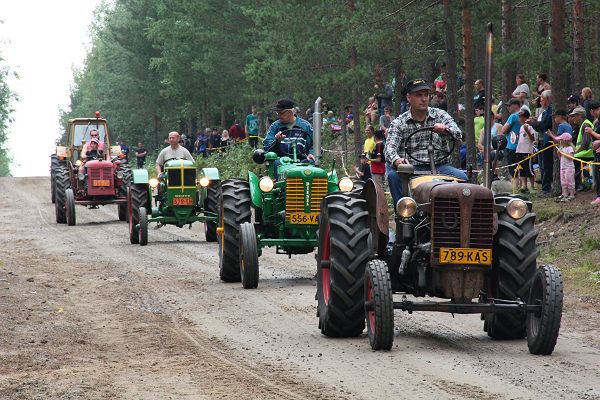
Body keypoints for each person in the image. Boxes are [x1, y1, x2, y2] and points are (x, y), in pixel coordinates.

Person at [385, 79, 466, 207]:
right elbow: (389, 148)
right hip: (411, 168)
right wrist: (397, 160)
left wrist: (445, 130)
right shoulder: (399, 122)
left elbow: (458, 134)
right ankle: (404, 215)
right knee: (394, 177)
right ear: (409, 98)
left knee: (463, 178)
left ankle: (458, 217)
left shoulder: (439, 115)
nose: (423, 99)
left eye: (426, 95)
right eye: (419, 95)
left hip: (440, 167)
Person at [528, 90, 553, 196]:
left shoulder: (550, 111)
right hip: (542, 141)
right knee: (542, 165)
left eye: (542, 98)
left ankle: (547, 188)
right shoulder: (544, 111)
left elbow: (544, 125)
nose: (540, 100)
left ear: (548, 99)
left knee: (546, 165)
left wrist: (533, 123)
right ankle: (544, 186)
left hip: (548, 142)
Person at [501, 99, 523, 191]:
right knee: (521, 169)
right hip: (522, 147)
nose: (508, 107)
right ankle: (522, 187)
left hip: (511, 146)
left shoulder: (513, 116)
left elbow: (503, 130)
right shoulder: (523, 115)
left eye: (509, 105)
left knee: (513, 170)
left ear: (515, 106)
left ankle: (515, 189)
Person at [570, 106, 594, 191]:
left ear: (580, 116)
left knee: (571, 162)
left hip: (587, 153)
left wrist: (574, 153)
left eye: (574, 116)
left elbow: (585, 144)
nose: (572, 118)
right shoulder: (582, 125)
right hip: (584, 153)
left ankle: (580, 185)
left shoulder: (585, 125)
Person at [548, 132, 575, 202]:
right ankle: (564, 194)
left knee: (570, 181)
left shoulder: (569, 148)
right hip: (562, 167)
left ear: (564, 141)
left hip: (569, 168)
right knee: (563, 182)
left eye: (561, 140)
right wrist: (559, 154)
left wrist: (563, 153)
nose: (559, 141)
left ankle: (572, 195)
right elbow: (561, 159)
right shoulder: (562, 148)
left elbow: (571, 157)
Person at [583, 101, 600, 204]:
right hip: (596, 152)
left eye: (598, 109)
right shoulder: (596, 122)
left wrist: (591, 132)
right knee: (597, 174)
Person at [516, 109, 536, 193]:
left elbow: (533, 139)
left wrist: (527, 131)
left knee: (529, 169)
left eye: (520, 117)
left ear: (525, 118)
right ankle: (524, 186)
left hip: (527, 151)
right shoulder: (521, 127)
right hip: (519, 150)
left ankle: (532, 186)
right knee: (522, 169)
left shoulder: (530, 126)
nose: (519, 119)